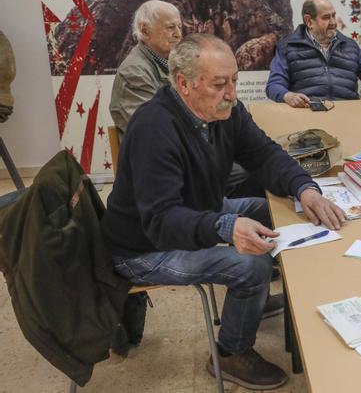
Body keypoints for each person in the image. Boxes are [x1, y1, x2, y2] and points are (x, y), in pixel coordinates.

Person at [102, 33, 346, 390]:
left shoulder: (224, 109)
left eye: (235, 80)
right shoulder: (155, 129)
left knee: (266, 210)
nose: (232, 92)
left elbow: (263, 153)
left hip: (193, 210)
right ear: (184, 84)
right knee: (252, 266)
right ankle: (231, 353)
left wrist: (303, 187)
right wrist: (225, 226)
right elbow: (162, 220)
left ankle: (251, 302)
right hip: (143, 246)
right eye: (220, 84)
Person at [266, 0, 361, 106]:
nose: (333, 22)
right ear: (309, 21)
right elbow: (274, 85)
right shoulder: (287, 47)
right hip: (307, 116)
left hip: (348, 115)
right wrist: (288, 96)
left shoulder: (349, 46)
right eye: (326, 17)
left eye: (333, 15)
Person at [109, 0, 182, 132]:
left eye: (179, 27)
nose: (178, 34)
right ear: (145, 30)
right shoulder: (134, 73)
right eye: (171, 27)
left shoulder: (171, 63)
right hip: (155, 150)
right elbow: (154, 128)